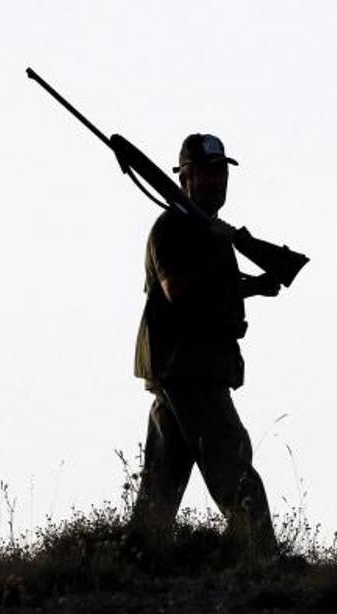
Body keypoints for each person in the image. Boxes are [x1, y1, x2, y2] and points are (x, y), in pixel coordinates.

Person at [130, 133, 282, 556]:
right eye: (206, 173)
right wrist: (220, 245)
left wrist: (254, 286)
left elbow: (209, 286)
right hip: (188, 367)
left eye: (221, 172)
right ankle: (262, 559)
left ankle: (140, 559)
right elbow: (176, 289)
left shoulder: (200, 228)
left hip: (189, 365)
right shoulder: (175, 227)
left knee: (161, 481)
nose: (217, 181)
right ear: (185, 177)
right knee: (232, 464)